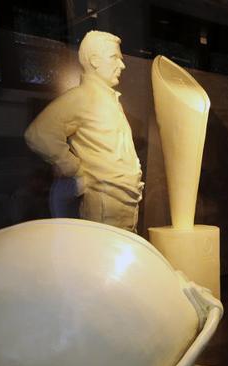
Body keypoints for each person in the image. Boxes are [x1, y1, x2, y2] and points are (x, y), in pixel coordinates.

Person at [24, 31, 143, 232]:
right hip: (105, 203)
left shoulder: (109, 100)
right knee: (102, 258)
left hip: (123, 201)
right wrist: (72, 167)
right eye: (115, 58)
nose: (122, 65)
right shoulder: (82, 98)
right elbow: (39, 134)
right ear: (95, 60)